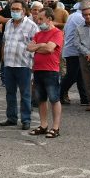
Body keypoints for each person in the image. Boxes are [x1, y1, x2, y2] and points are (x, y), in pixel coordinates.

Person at [0, 0, 38, 129]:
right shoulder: (8, 23)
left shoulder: (31, 26)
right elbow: (4, 41)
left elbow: (36, 45)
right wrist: (3, 58)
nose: (14, 11)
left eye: (17, 9)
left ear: (24, 10)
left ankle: (26, 119)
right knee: (10, 93)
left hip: (24, 65)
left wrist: (33, 64)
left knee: (25, 94)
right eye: (12, 9)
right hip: (9, 64)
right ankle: (11, 117)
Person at [27, 8, 63, 138]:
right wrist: (42, 45)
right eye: (38, 18)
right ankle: (43, 125)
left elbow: (49, 49)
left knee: (54, 99)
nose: (38, 21)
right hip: (38, 70)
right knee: (41, 99)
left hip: (51, 70)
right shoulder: (38, 34)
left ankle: (55, 127)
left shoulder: (57, 33)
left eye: (41, 19)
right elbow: (29, 47)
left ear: (49, 19)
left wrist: (40, 47)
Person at [59, 1, 89, 106]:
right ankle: (59, 94)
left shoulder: (73, 16)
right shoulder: (80, 18)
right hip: (74, 51)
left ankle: (85, 98)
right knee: (72, 75)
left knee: (80, 76)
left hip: (72, 49)